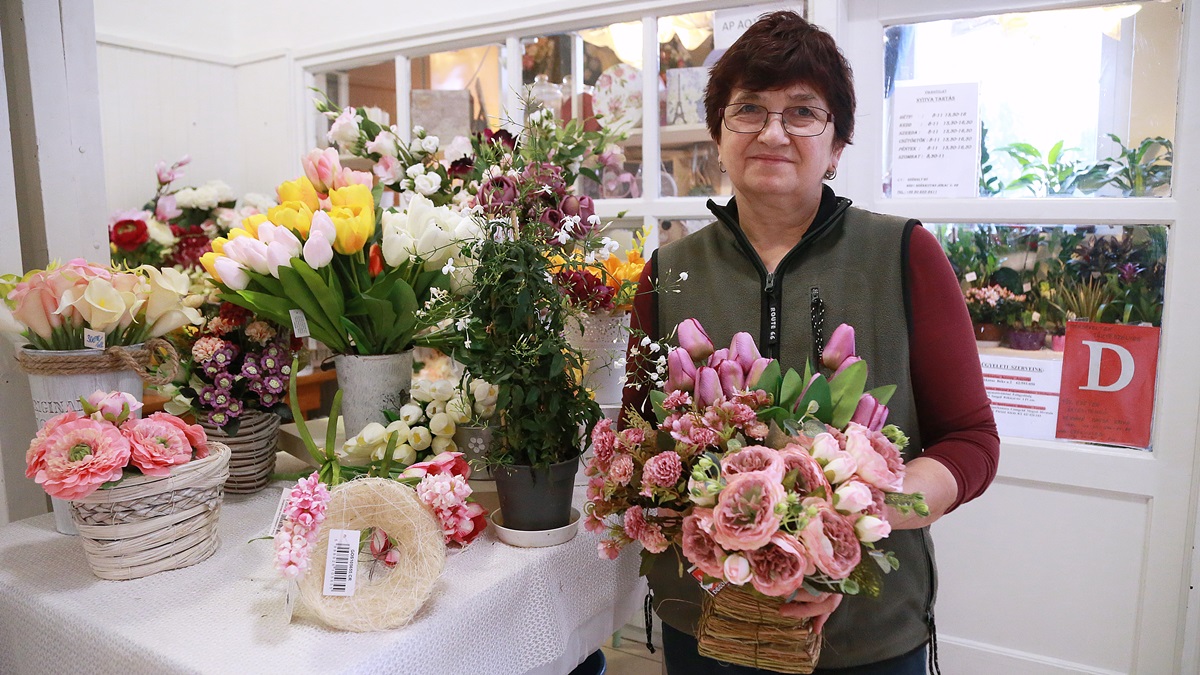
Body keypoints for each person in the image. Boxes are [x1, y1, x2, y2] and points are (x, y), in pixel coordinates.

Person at [622, 11, 1000, 675]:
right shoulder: (671, 270)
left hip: (866, 634)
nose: (773, 131)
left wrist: (856, 520)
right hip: (710, 621)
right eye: (749, 109)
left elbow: (971, 441)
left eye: (803, 111)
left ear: (838, 141)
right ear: (719, 131)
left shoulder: (902, 254)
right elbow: (638, 439)